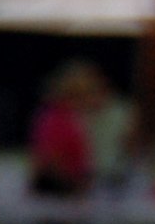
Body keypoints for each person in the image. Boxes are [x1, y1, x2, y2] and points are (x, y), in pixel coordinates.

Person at [28, 62, 106, 198]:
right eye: (90, 93)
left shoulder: (71, 117)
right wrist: (74, 185)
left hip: (70, 187)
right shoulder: (56, 118)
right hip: (59, 191)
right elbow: (51, 159)